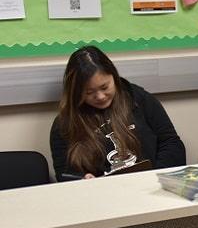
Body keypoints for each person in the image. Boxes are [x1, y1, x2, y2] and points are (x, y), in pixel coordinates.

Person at [50, 46, 185, 181]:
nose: (100, 96)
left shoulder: (137, 98)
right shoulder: (64, 124)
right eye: (89, 92)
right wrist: (82, 179)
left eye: (105, 87)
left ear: (114, 77)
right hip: (101, 195)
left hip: (151, 185)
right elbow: (63, 173)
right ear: (76, 92)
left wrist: (155, 177)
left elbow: (171, 143)